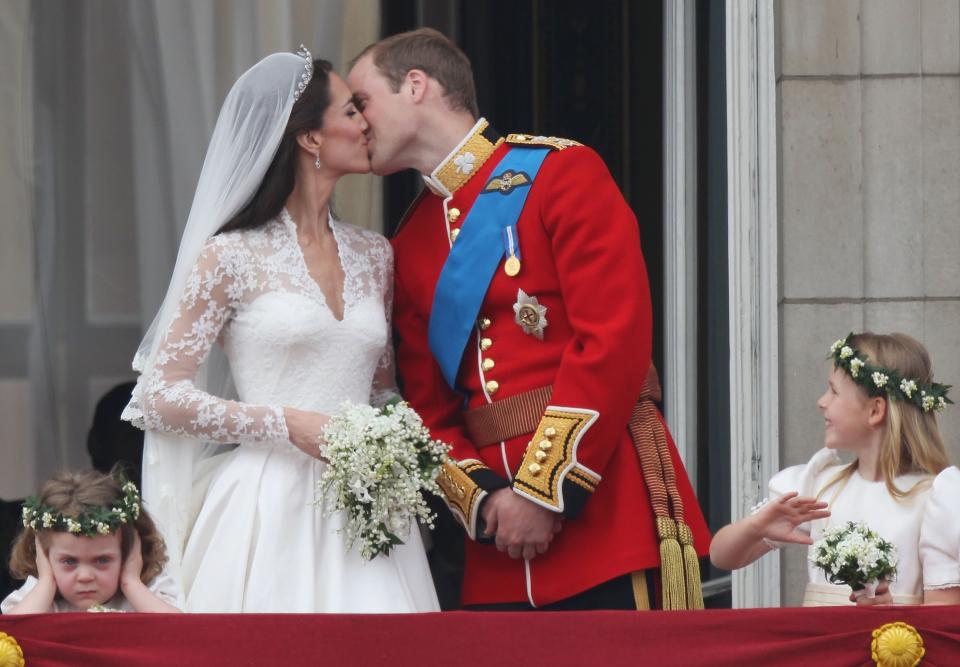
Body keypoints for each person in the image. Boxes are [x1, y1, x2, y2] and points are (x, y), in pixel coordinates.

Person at [348, 28, 711, 610]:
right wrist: (487, 501)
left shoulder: (560, 173)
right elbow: (428, 409)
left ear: (415, 86)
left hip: (605, 514)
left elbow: (613, 341)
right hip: (496, 550)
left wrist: (543, 493)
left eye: (362, 102)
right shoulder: (410, 240)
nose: (357, 122)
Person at [122, 48, 438, 612]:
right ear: (309, 138)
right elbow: (158, 395)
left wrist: (398, 444)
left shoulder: (375, 254)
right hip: (267, 505)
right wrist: (284, 422)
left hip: (369, 509)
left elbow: (381, 389)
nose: (366, 123)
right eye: (350, 111)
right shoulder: (229, 257)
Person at [710, 332, 960, 606]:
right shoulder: (818, 486)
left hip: (891, 647)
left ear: (875, 410)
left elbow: (943, 622)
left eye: (834, 391)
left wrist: (891, 612)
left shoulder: (935, 500)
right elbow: (721, 557)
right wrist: (756, 527)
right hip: (819, 648)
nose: (822, 401)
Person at [3, 470, 180, 613]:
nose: (85, 576)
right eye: (69, 561)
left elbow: (180, 631)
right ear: (44, 557)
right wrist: (46, 582)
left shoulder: (147, 593)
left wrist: (131, 582)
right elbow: (11, 635)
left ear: (128, 553)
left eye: (102, 560)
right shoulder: (39, 599)